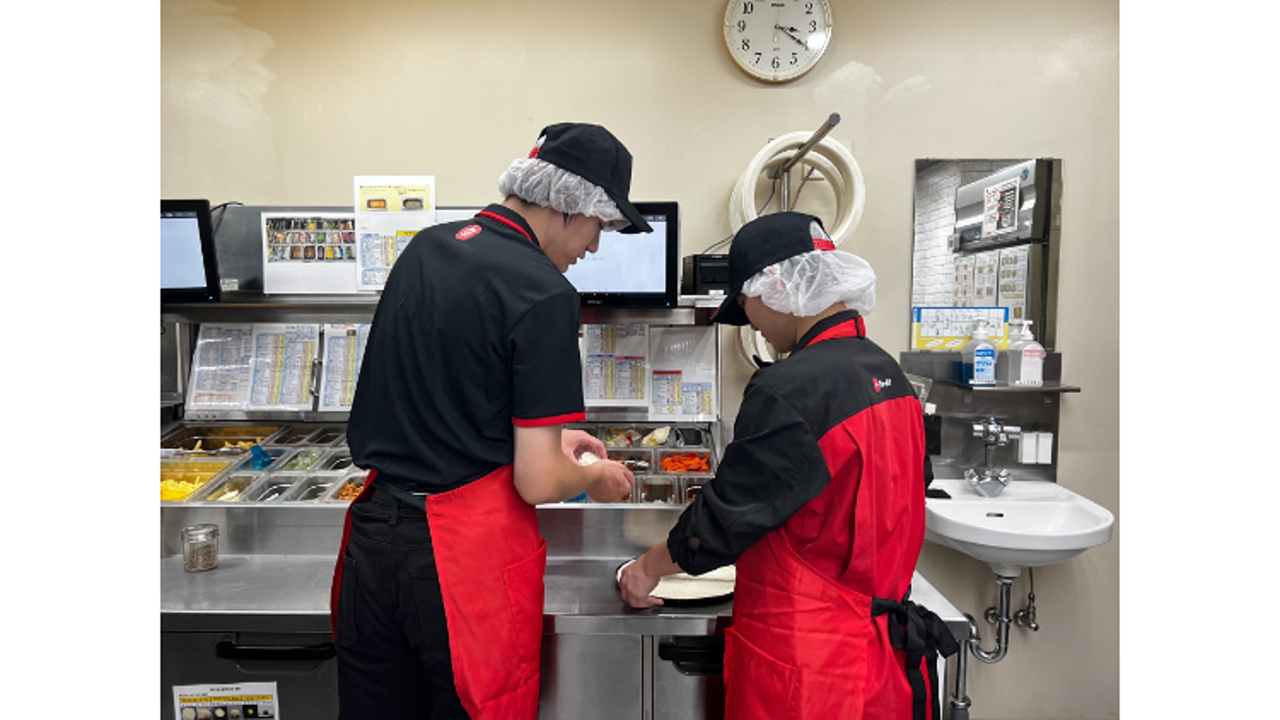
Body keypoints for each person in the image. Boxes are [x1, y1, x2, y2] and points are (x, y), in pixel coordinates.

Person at [332, 123, 649, 720]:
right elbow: (536, 481)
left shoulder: (427, 247)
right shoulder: (545, 293)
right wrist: (590, 477)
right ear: (567, 204)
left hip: (374, 543)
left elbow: (447, 391)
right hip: (457, 563)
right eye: (599, 225)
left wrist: (551, 438)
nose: (595, 247)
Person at [619, 212, 958, 720]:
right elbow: (907, 489)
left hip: (808, 666)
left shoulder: (791, 388)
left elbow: (723, 521)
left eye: (747, 305)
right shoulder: (890, 375)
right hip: (882, 658)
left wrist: (644, 569)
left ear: (774, 286)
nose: (752, 322)